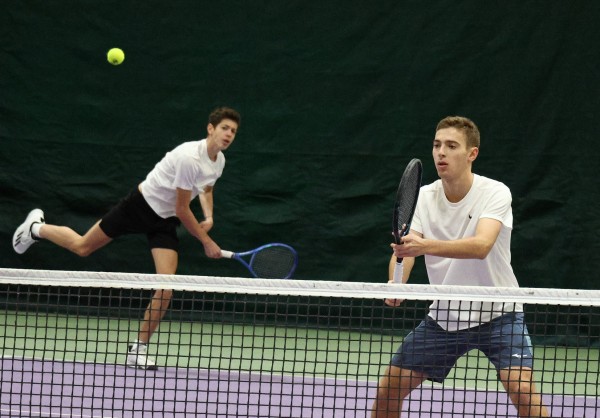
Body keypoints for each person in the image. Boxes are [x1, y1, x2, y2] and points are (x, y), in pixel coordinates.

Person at [12, 106, 241, 370]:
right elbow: (182, 208)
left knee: (166, 287)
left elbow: (206, 188)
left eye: (233, 131)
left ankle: (138, 349)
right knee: (82, 247)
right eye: (224, 128)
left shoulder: (219, 161)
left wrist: (209, 216)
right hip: (140, 206)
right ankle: (35, 229)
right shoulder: (189, 157)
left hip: (165, 220)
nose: (229, 134)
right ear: (210, 128)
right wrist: (207, 241)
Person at [371, 116, 549, 417]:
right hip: (446, 316)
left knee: (520, 388)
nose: (441, 152)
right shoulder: (424, 197)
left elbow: (481, 246)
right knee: (390, 388)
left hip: (499, 312)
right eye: (437, 145)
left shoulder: (495, 192)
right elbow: (406, 249)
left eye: (452, 146)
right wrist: (396, 282)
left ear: (471, 154)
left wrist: (425, 245)